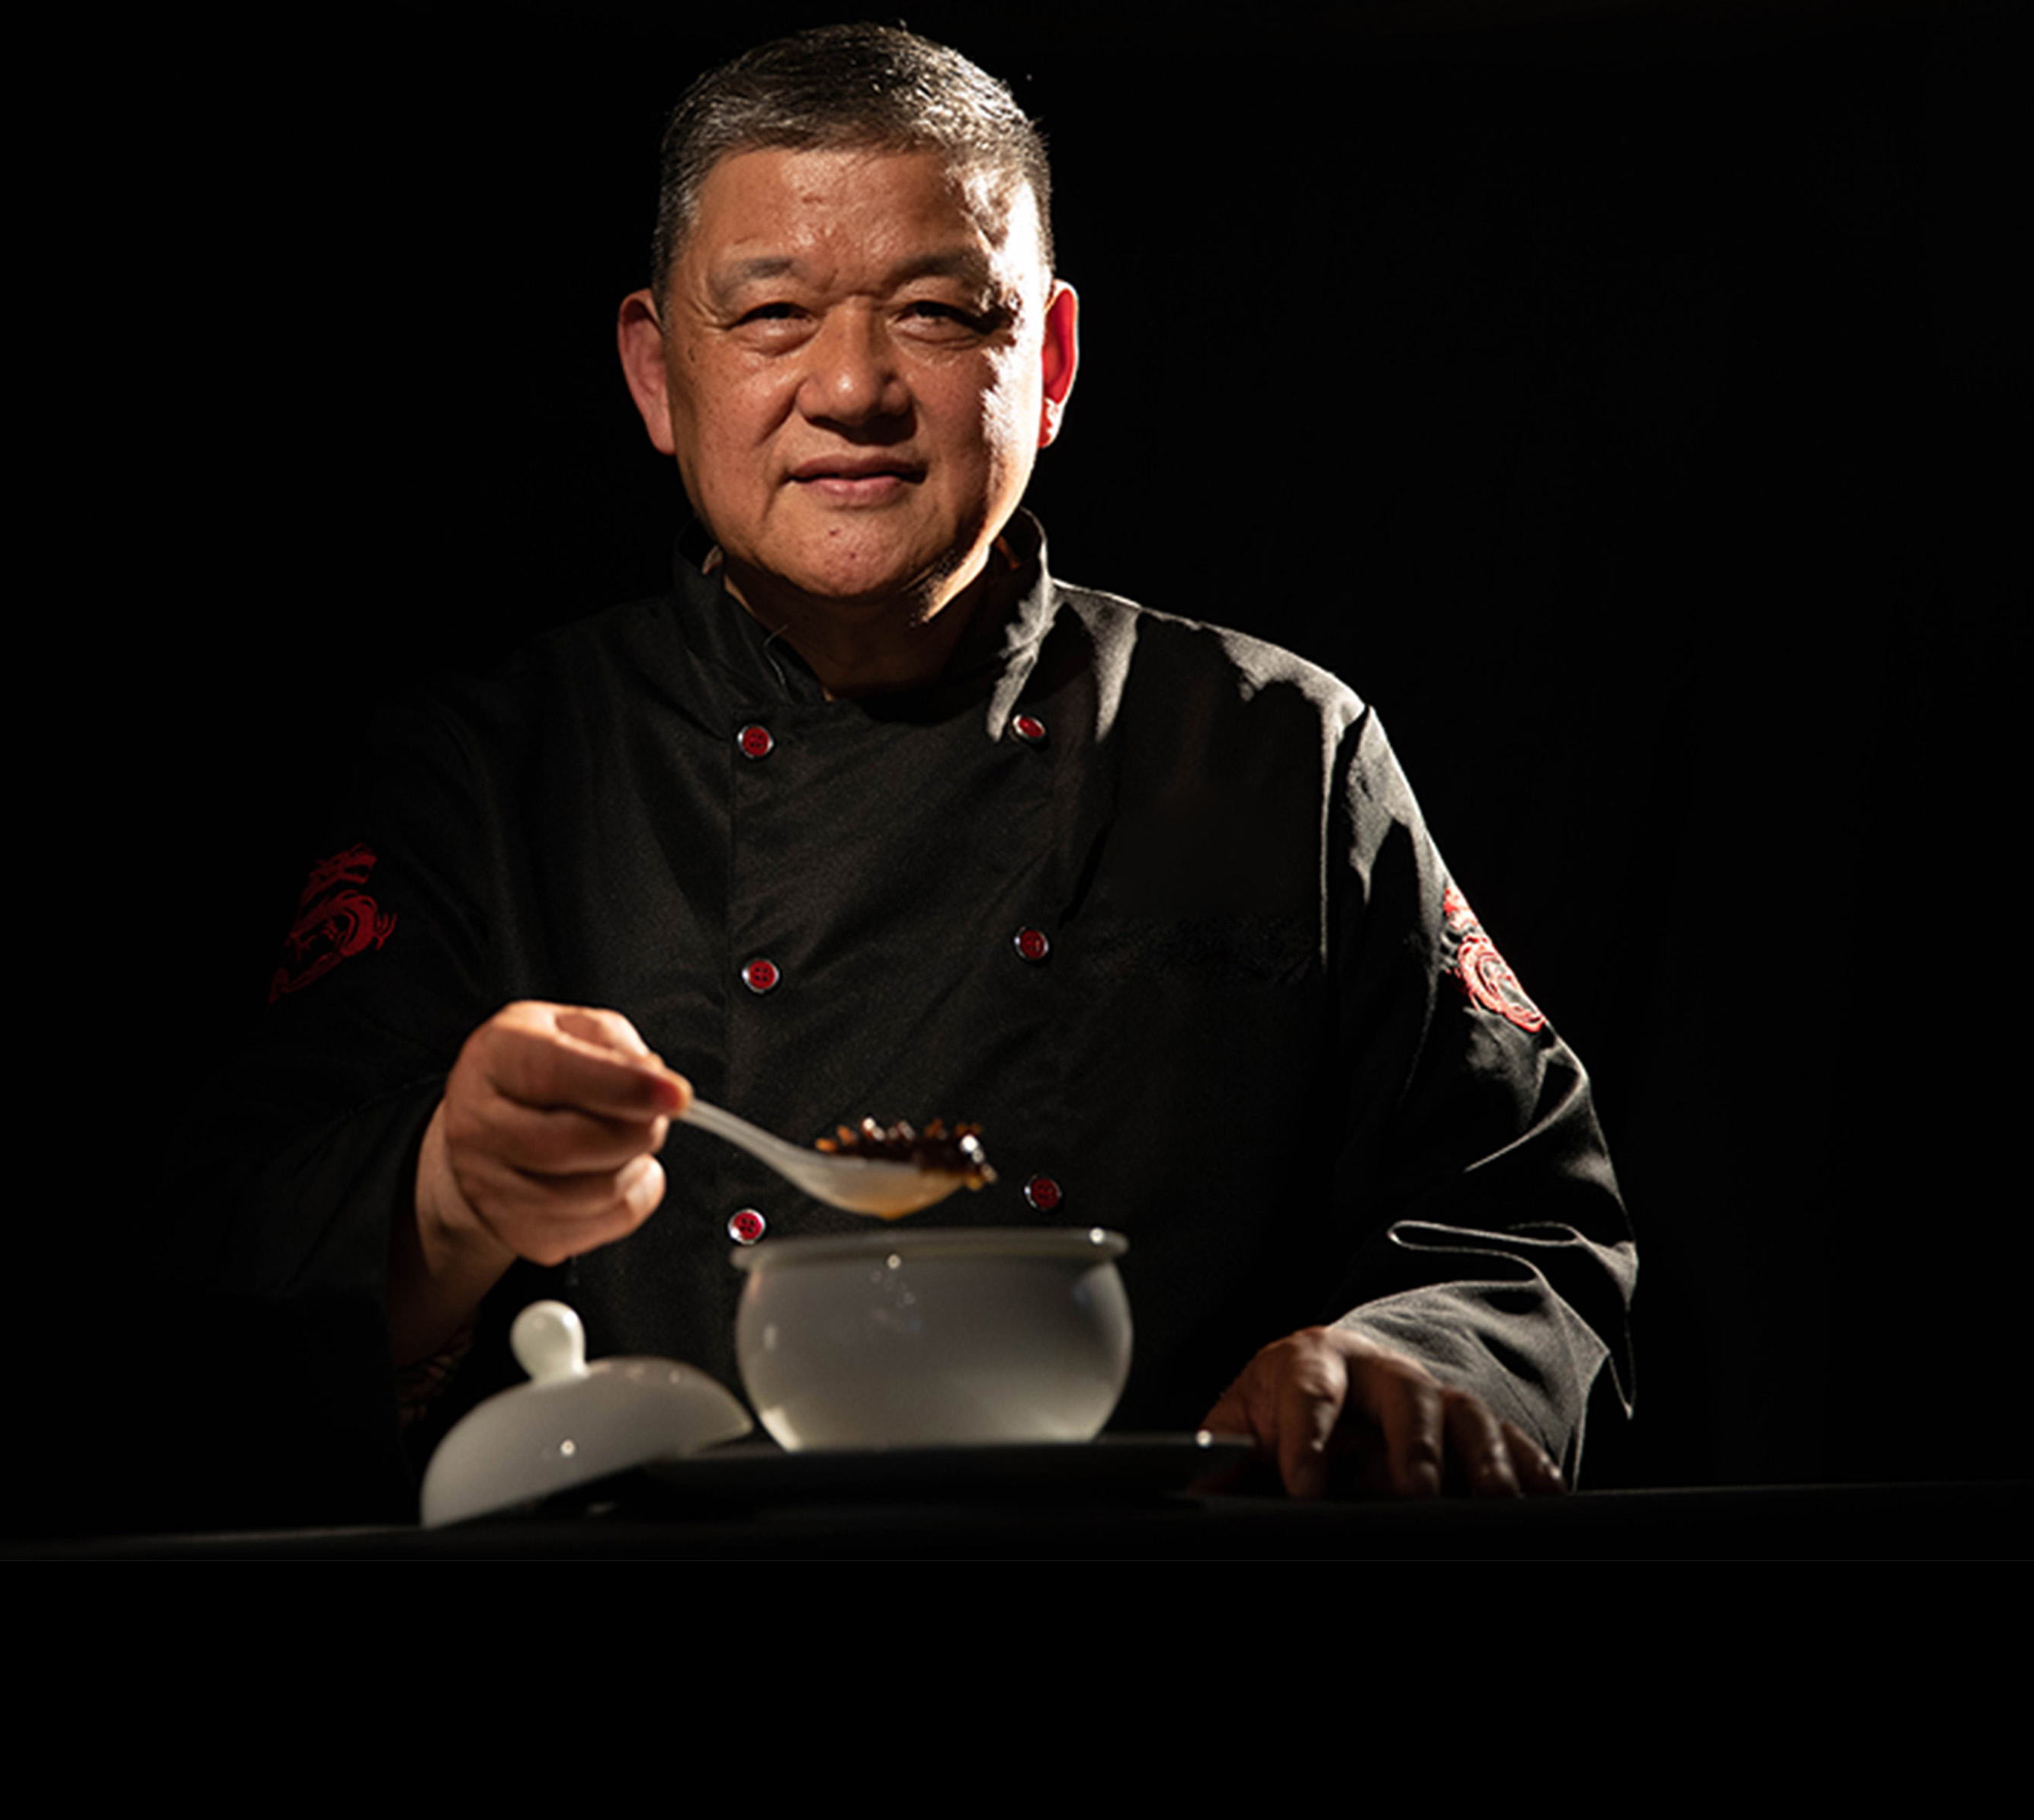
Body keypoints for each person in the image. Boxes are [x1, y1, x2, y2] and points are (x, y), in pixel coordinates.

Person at [162, 24, 1635, 1516]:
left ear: (1047, 362)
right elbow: (210, 1271)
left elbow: (1524, 1223)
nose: (854, 387)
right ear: (658, 374)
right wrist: (447, 1193)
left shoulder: (1276, 750)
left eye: (936, 312)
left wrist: (1405, 1363)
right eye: (774, 315)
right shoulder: (487, 773)